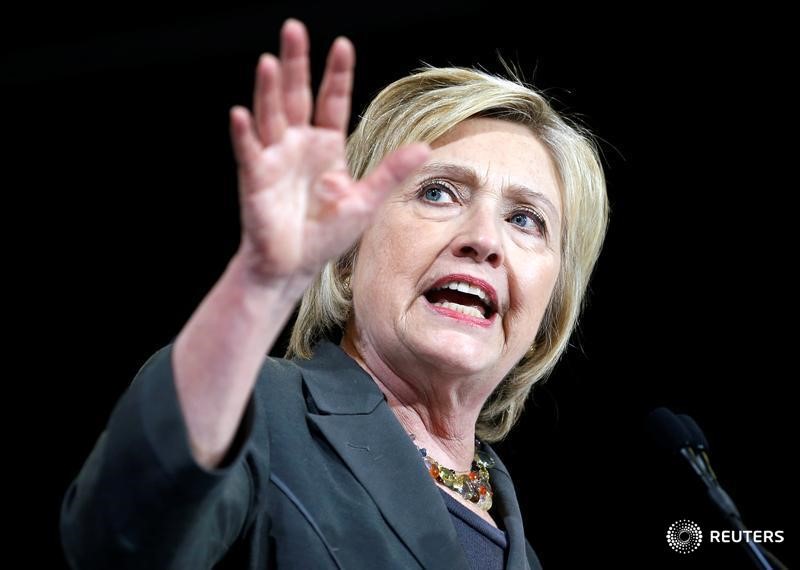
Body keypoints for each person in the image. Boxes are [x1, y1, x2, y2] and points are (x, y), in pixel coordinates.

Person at [60, 18, 608, 570]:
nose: (484, 240)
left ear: (551, 305)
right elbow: (123, 542)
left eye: (526, 219)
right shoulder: (254, 412)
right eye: (438, 192)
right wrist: (257, 286)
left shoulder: (523, 549)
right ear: (347, 256)